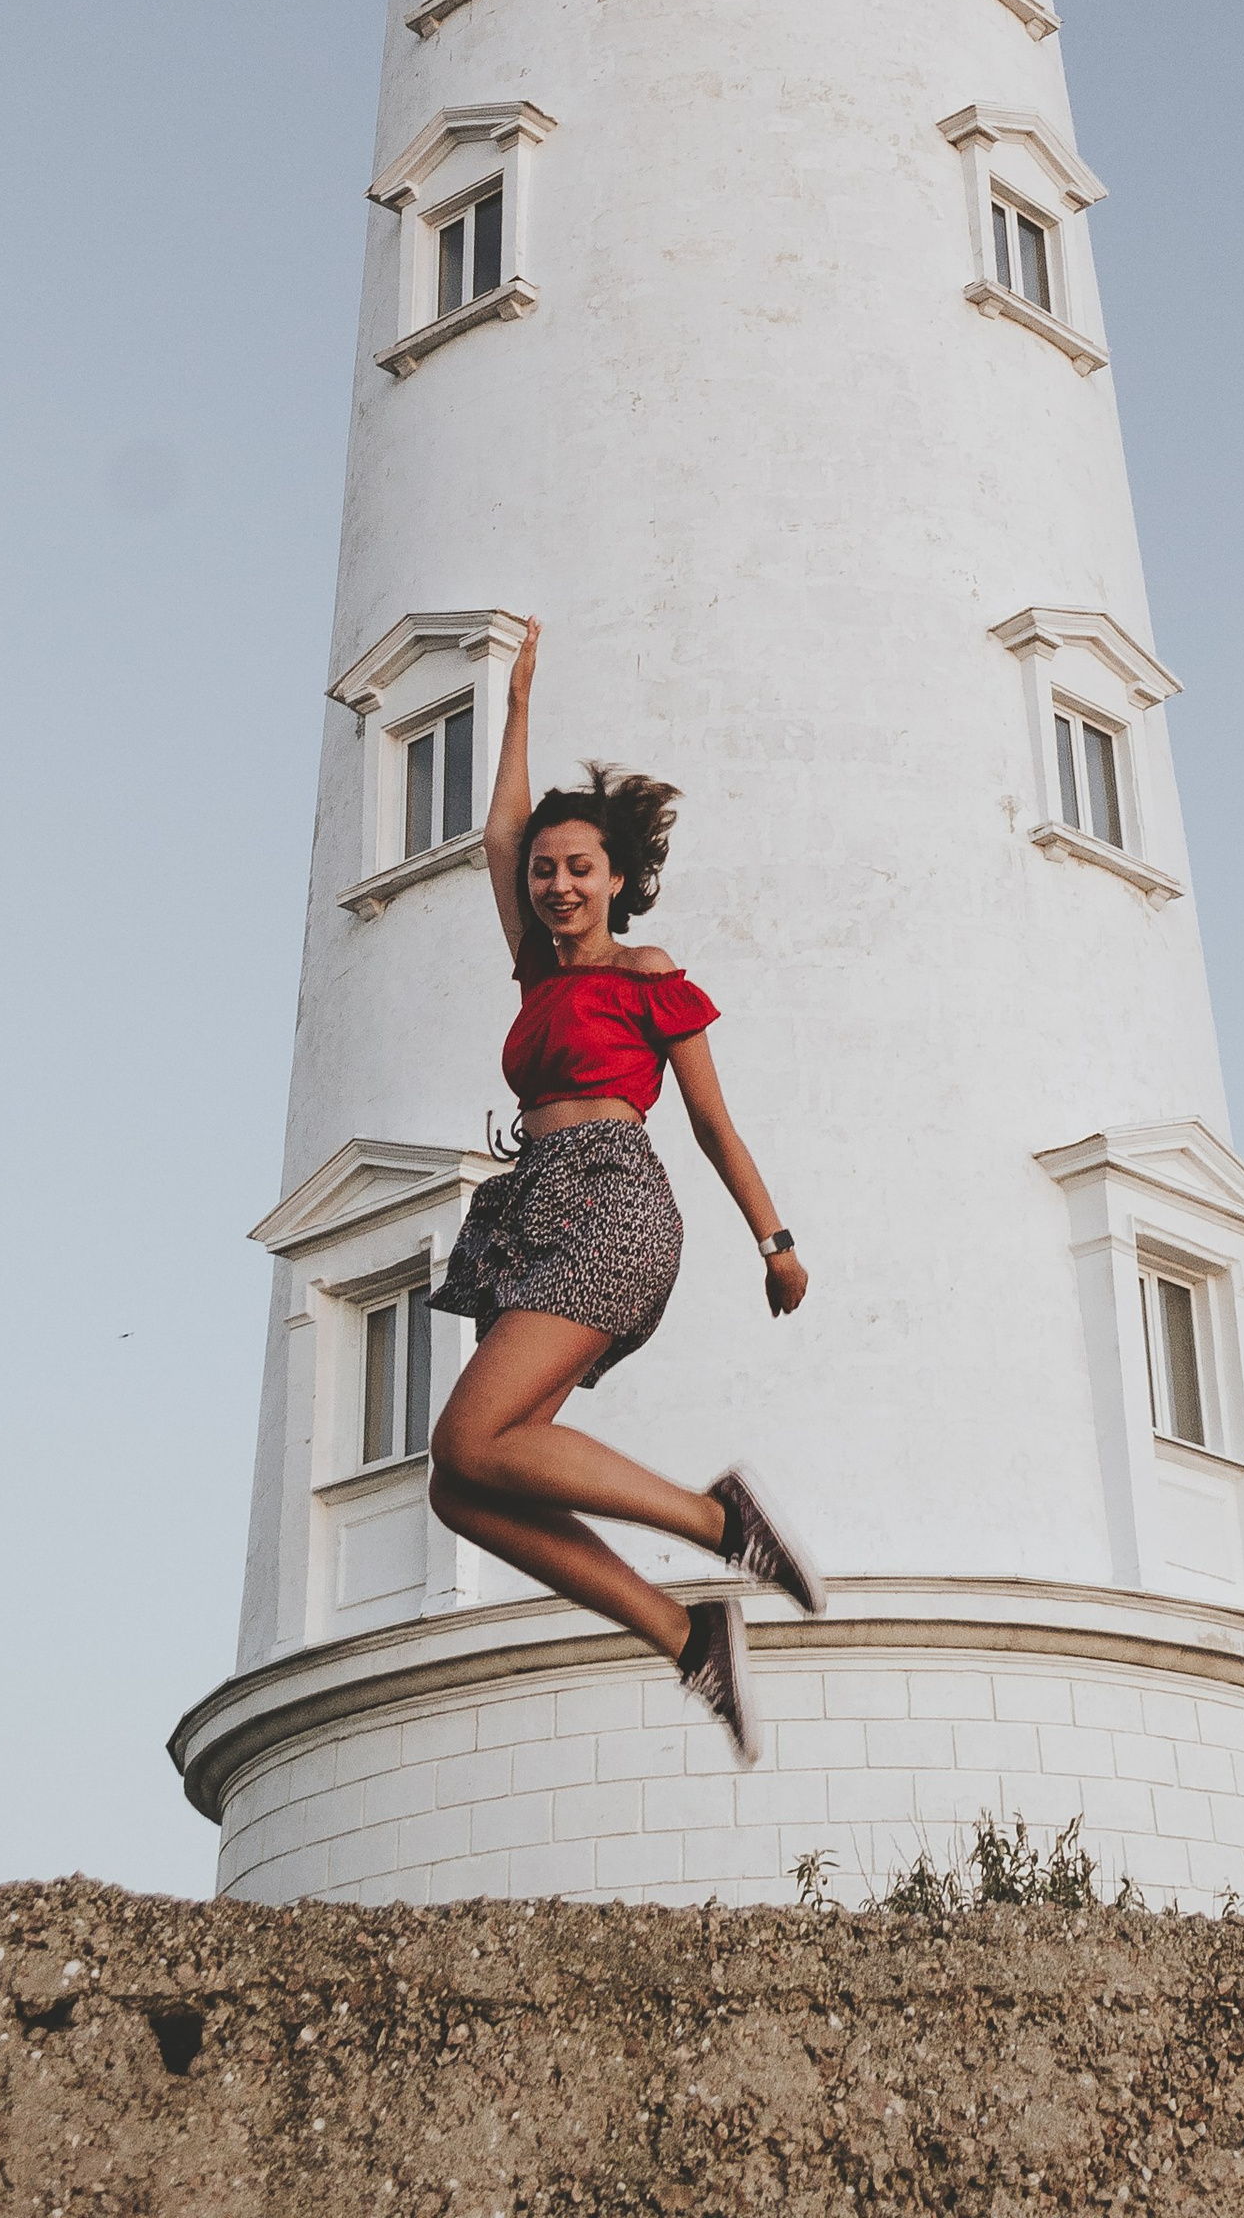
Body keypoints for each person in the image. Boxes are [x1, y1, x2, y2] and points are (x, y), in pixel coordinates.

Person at [424, 615, 822, 1764]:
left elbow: (708, 1120)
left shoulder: (649, 980)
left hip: (613, 1201)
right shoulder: (533, 975)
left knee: (467, 1437)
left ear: (616, 881)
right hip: (530, 1213)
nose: (554, 884)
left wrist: (775, 1240)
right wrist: (515, 708)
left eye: (577, 869)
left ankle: (717, 1523)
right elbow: (498, 834)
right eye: (546, 871)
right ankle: (685, 1633)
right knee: (467, 1488)